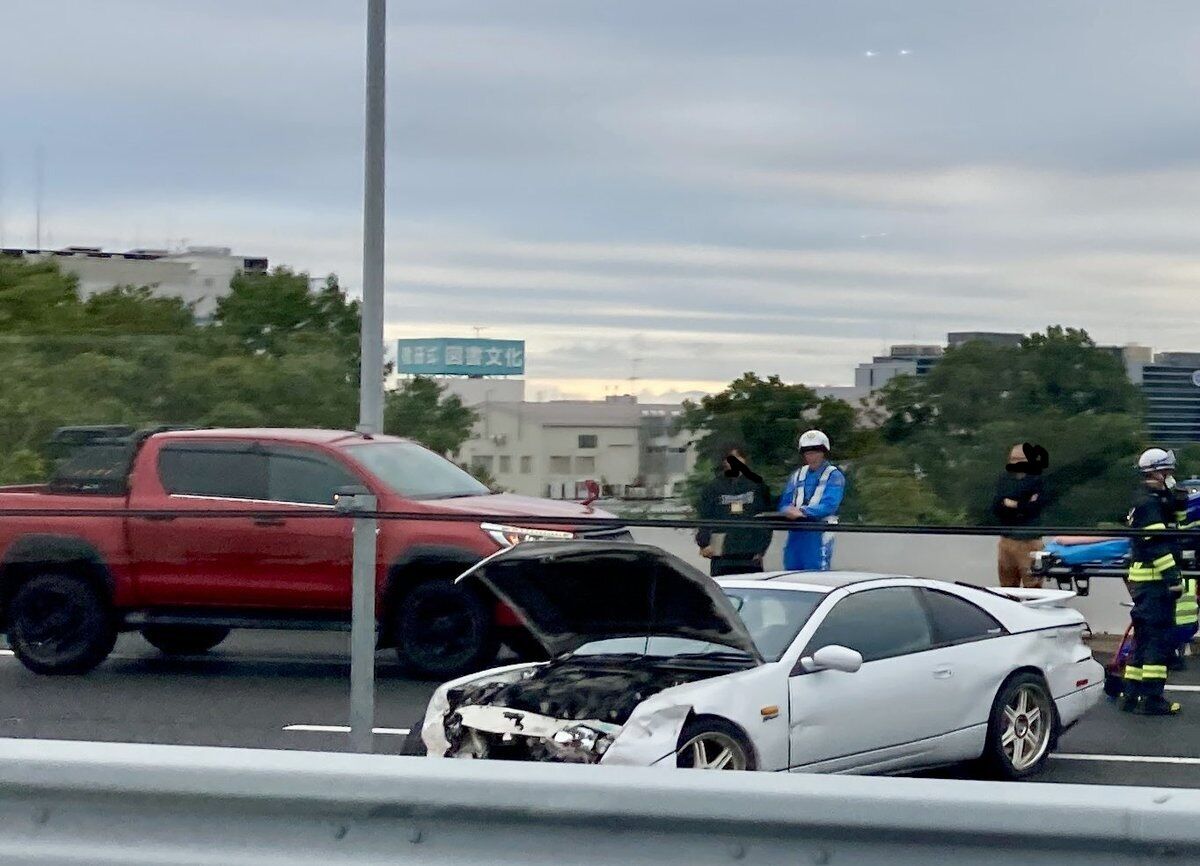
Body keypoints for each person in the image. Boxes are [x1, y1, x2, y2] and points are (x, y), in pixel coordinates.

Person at [1120, 448, 1184, 716]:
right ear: (1157, 473)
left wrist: (1175, 500)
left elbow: (1174, 526)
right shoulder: (1149, 504)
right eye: (1167, 471)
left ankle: (1131, 693)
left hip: (1145, 582)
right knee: (1158, 640)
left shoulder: (1149, 500)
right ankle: (1153, 698)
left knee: (1144, 639)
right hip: (1155, 581)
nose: (1171, 475)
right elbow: (1157, 545)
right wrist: (1173, 579)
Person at [695, 444, 773, 576]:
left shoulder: (757, 485)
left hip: (750, 553)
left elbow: (766, 519)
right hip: (722, 555)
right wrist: (704, 544)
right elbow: (705, 518)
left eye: (739, 457)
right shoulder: (713, 487)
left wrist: (761, 549)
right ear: (725, 461)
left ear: (745, 460)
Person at [779, 430, 845, 571]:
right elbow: (785, 502)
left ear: (823, 453)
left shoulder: (833, 475)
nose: (811, 456)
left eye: (815, 452)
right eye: (807, 453)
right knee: (791, 570)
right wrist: (787, 510)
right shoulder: (797, 475)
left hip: (819, 530)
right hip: (796, 531)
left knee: (817, 571)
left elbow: (830, 505)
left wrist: (803, 511)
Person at [992, 442, 1049, 588]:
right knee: (1007, 587)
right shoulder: (1004, 479)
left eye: (1020, 459)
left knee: (1033, 586)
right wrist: (1023, 504)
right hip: (1007, 540)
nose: (1016, 462)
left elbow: (1035, 507)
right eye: (1013, 459)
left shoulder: (1038, 480)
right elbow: (997, 507)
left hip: (1030, 541)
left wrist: (1013, 504)